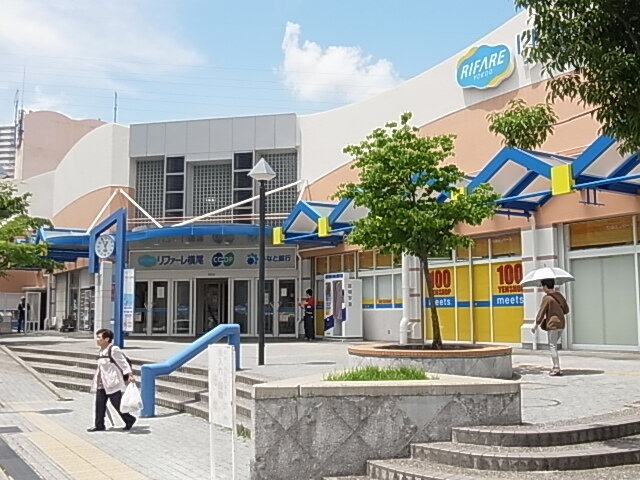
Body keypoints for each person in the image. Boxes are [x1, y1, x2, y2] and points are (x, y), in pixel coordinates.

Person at [88, 328, 137, 432]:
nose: (97, 339)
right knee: (99, 404)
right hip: (101, 383)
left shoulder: (113, 349)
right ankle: (99, 425)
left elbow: (123, 363)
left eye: (99, 337)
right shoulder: (101, 351)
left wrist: (129, 374)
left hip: (112, 382)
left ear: (107, 339)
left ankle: (129, 419)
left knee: (117, 404)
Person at [531, 279, 570, 377]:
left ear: (545, 286)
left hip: (553, 324)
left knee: (552, 346)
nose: (542, 288)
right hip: (561, 324)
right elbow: (566, 310)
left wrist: (535, 325)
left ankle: (556, 368)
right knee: (554, 345)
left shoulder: (547, 298)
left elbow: (541, 313)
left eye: (542, 286)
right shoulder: (559, 295)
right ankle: (556, 367)